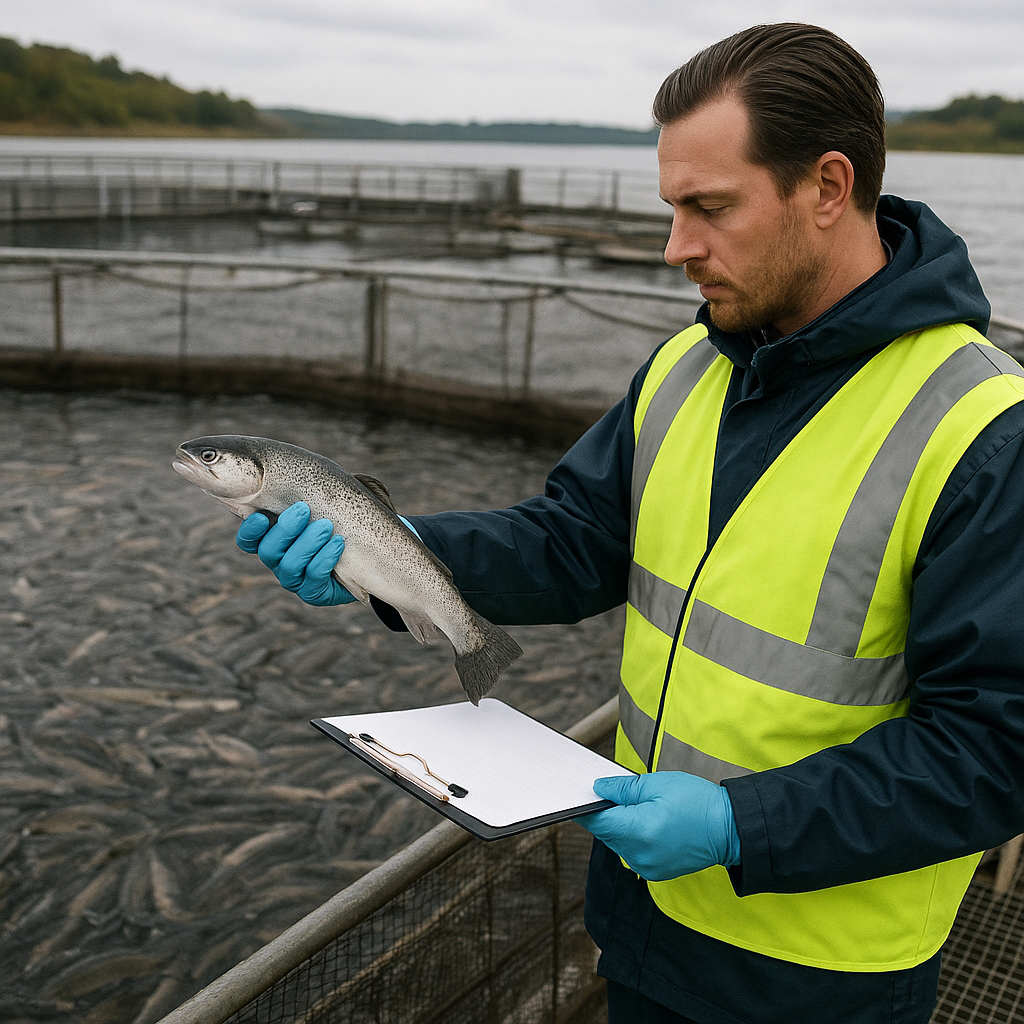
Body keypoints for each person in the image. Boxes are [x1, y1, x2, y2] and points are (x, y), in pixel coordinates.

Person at [234, 23, 1024, 1024]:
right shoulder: (688, 367)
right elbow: (575, 540)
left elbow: (996, 746)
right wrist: (393, 551)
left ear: (828, 187)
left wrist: (740, 824)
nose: (675, 247)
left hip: (822, 977)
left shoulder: (983, 429)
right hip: (642, 916)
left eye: (710, 207)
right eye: (671, 208)